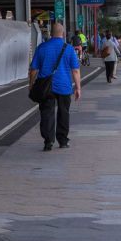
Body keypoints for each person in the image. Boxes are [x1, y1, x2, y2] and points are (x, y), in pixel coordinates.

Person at [29, 23, 81, 151]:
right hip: (64, 86)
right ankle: (62, 140)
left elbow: (33, 70)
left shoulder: (42, 47)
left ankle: (48, 141)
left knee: (47, 113)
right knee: (64, 113)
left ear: (50, 33)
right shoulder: (68, 49)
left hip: (46, 87)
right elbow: (75, 70)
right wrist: (78, 88)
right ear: (63, 34)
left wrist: (31, 85)